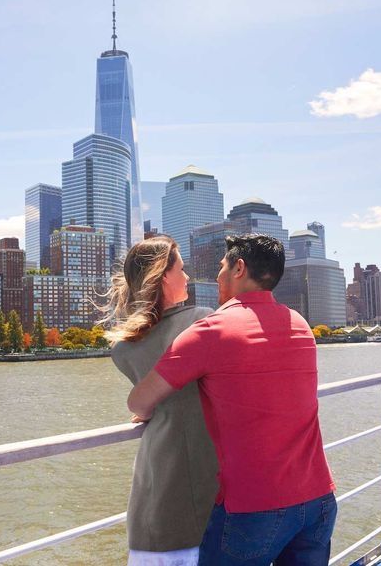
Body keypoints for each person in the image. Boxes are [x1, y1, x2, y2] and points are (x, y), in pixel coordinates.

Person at [128, 234, 336, 565]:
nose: (217, 275)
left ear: (239, 268)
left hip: (252, 510)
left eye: (222, 266)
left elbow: (139, 402)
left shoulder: (210, 331)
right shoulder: (300, 325)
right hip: (319, 502)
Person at [101, 236, 219, 566]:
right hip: (206, 501)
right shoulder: (203, 321)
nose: (187, 278)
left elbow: (147, 401)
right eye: (182, 269)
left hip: (151, 505)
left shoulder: (124, 351)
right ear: (163, 276)